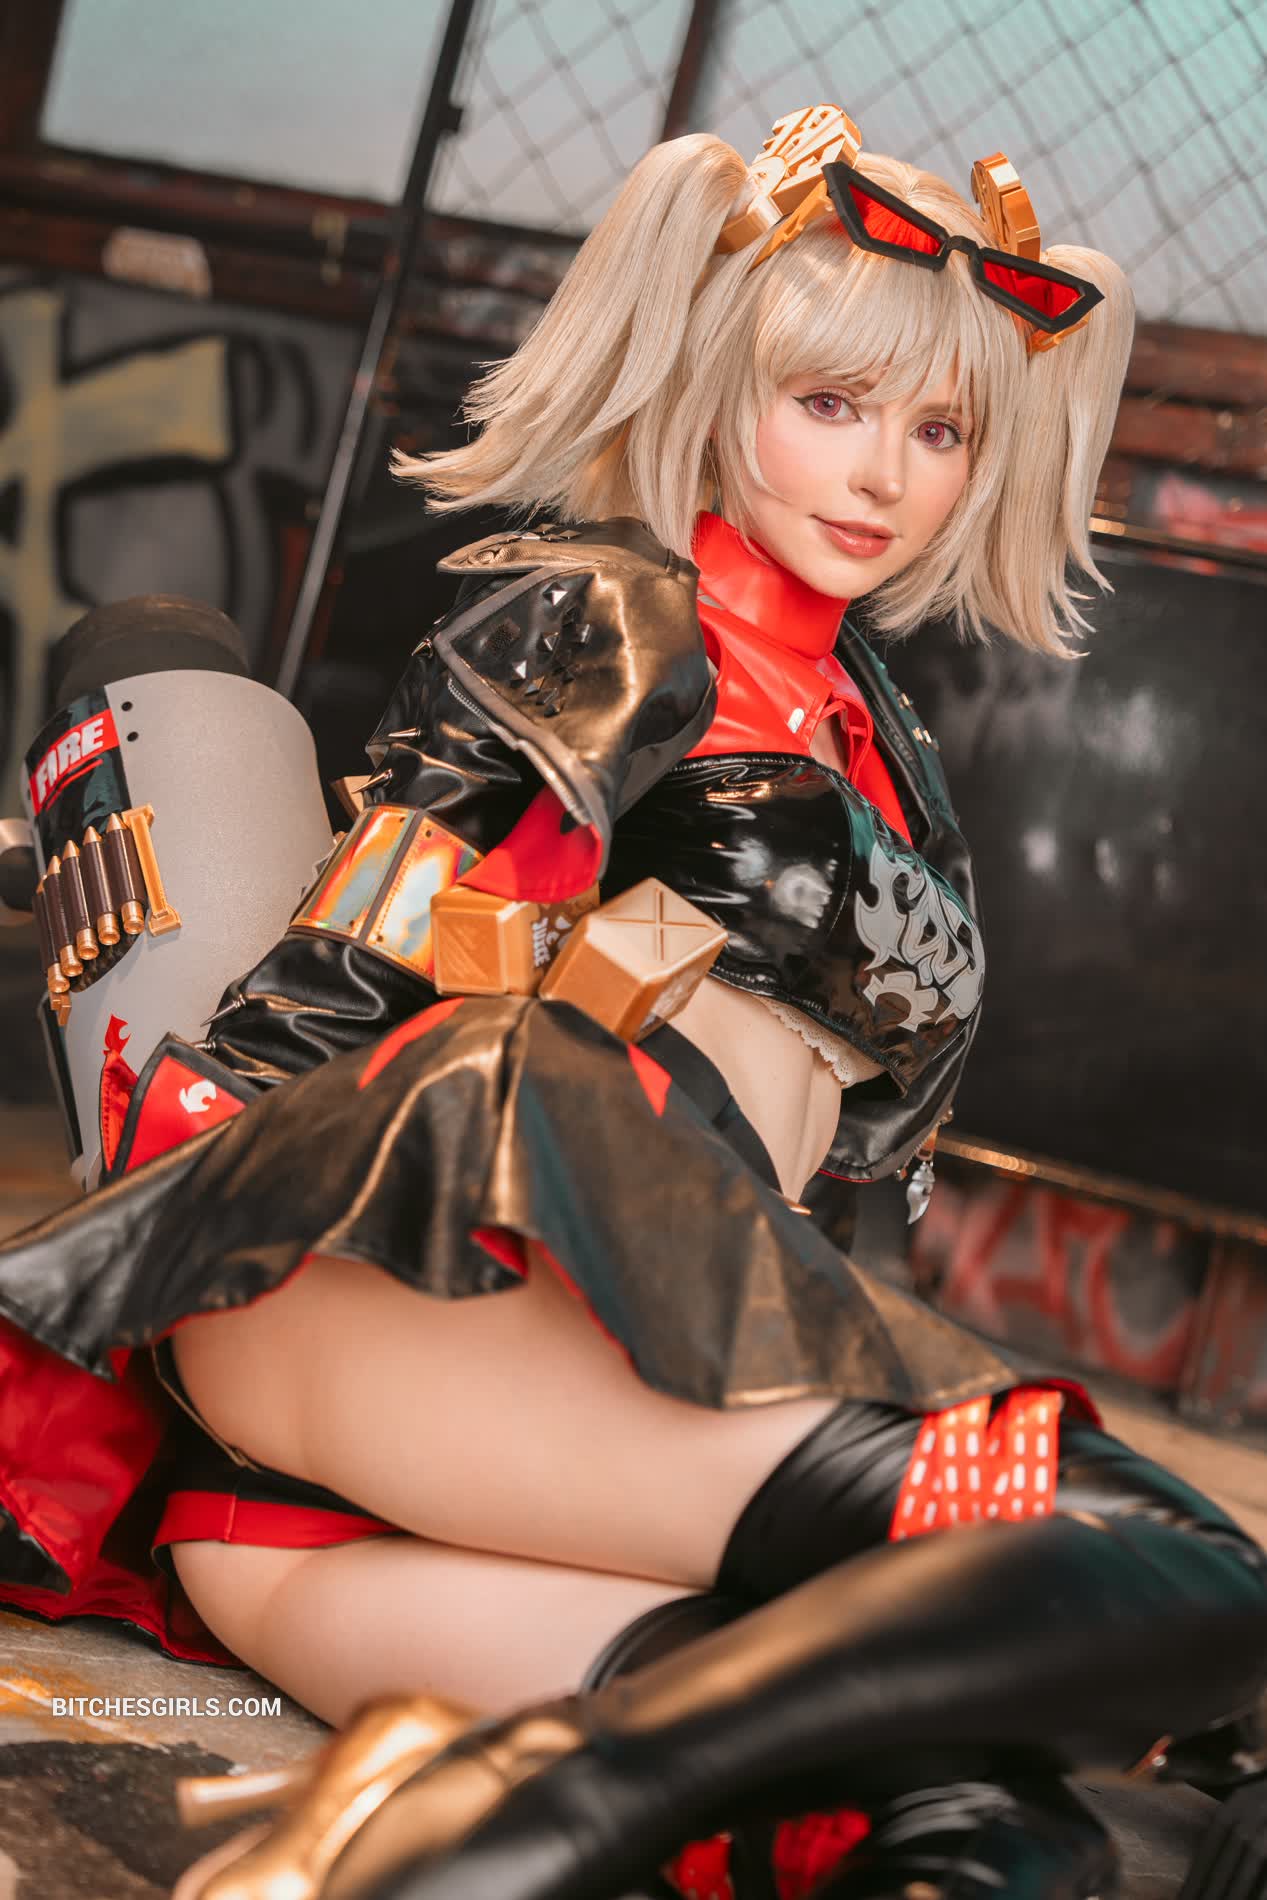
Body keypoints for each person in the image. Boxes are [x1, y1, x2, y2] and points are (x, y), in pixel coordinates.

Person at [1, 107, 1264, 1900]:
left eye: (939, 429)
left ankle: (507, 1814)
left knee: (982, 1820)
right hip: (409, 1311)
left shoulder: (880, 734)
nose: (883, 475)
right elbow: (367, 953)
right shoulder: (615, 618)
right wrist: (168, 1239)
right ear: (718, 385)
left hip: (493, 1480)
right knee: (1150, 1550)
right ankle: (535, 1825)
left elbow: (818, 1192)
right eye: (830, 403)